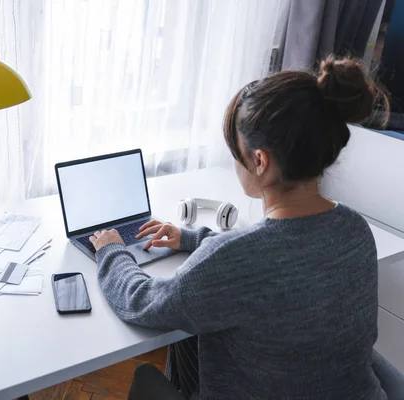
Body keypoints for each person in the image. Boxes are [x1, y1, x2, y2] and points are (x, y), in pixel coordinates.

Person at [88, 55, 391, 399]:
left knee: (147, 374)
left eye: (235, 150)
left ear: (260, 161)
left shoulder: (232, 259)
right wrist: (191, 238)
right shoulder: (355, 230)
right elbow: (279, 257)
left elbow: (142, 302)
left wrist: (111, 249)